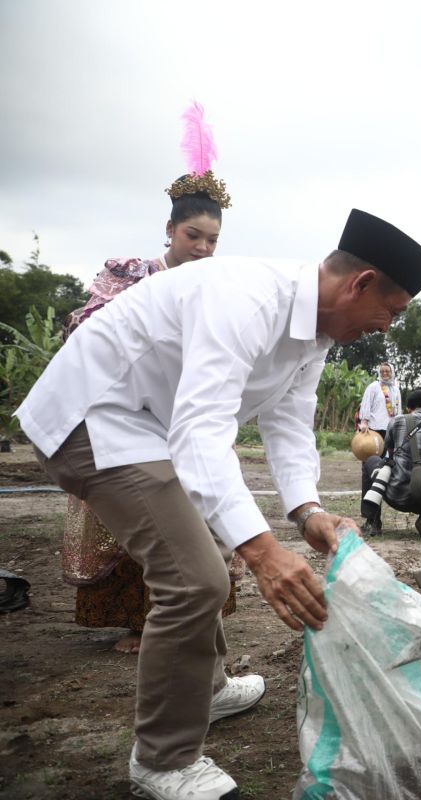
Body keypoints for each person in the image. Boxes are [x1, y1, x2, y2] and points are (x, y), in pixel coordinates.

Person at [17, 207, 421, 798]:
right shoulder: (246, 298)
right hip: (92, 419)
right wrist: (265, 551)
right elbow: (200, 431)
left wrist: (307, 511)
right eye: (390, 312)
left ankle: (204, 687)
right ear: (360, 283)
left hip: (150, 427)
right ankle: (162, 760)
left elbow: (290, 424)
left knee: (210, 553)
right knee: (194, 579)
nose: (387, 327)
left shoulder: (317, 330)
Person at [60, 135, 236, 656]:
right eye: (192, 235)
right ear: (169, 230)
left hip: (183, 416)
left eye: (212, 240)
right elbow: (85, 332)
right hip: (122, 415)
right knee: (140, 514)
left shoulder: (218, 286)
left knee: (188, 512)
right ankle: (139, 623)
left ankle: (181, 620)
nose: (202, 249)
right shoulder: (128, 276)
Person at [360, 388, 421, 540]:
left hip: (398, 496)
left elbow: (390, 457)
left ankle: (373, 521)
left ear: (408, 408)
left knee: (371, 461)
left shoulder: (397, 421)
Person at [356, 362, 401, 443]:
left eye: (387, 371)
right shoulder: (373, 386)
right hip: (375, 426)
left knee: (389, 453)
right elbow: (366, 405)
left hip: (391, 427)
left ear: (392, 372)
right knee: (375, 452)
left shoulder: (396, 389)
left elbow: (399, 408)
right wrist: (364, 422)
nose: (384, 373)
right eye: (382, 371)